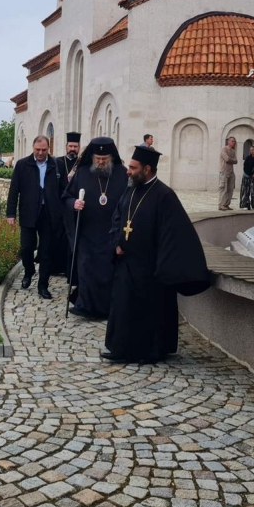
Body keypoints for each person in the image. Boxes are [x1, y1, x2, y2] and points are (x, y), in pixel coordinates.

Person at [101, 146, 211, 363]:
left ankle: (149, 352)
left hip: (150, 268)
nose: (128, 171)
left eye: (133, 167)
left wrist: (159, 262)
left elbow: (174, 234)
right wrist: (116, 243)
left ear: (147, 169)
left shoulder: (165, 195)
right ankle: (120, 349)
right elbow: (117, 219)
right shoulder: (130, 190)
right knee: (123, 306)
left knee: (149, 312)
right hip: (126, 263)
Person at [63, 137, 128, 320]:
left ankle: (105, 308)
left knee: (107, 271)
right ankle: (85, 305)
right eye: (97, 158)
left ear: (111, 157)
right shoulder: (82, 173)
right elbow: (66, 197)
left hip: (111, 232)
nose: (100, 162)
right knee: (86, 268)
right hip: (87, 231)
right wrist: (74, 203)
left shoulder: (122, 174)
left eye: (104, 159)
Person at [6, 136, 62, 300]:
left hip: (49, 214)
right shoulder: (23, 165)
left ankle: (43, 285)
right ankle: (29, 271)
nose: (40, 153)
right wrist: (10, 214)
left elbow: (64, 189)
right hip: (28, 213)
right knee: (26, 248)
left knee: (46, 252)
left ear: (48, 149)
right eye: (37, 150)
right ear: (33, 148)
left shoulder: (55, 165)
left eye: (44, 150)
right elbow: (14, 190)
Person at [54, 132, 82, 275]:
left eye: (75, 146)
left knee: (72, 237)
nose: (72, 149)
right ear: (66, 147)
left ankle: (70, 269)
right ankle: (58, 267)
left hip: (75, 205)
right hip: (60, 204)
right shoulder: (58, 162)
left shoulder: (82, 164)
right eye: (70, 146)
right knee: (59, 236)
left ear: (79, 147)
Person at [218, 136, 238, 211]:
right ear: (228, 142)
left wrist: (231, 160)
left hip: (231, 172)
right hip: (224, 171)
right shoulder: (224, 149)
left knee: (230, 189)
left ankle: (226, 204)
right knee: (223, 189)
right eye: (232, 141)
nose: (234, 143)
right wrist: (231, 160)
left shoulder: (233, 151)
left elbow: (236, 161)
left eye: (234, 141)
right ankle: (221, 205)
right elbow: (226, 159)